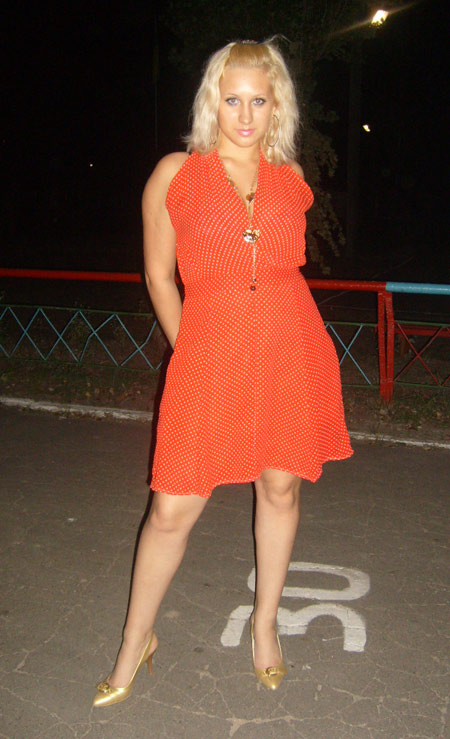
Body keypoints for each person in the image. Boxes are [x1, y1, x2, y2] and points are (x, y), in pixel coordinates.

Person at [93, 39, 353, 706]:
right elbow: (159, 275)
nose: (244, 114)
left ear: (276, 107)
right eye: (231, 99)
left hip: (289, 346)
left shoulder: (289, 175)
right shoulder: (177, 172)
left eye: (258, 101)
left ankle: (265, 626)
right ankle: (135, 639)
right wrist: (195, 350)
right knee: (171, 508)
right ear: (211, 101)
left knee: (281, 488)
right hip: (209, 350)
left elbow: (281, 272)